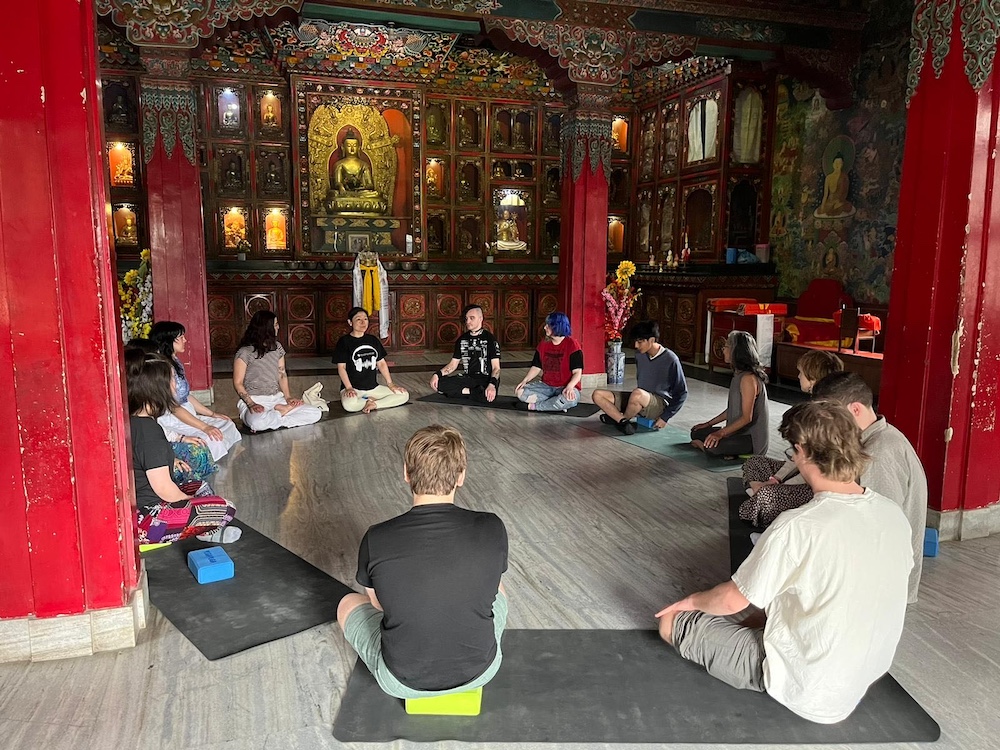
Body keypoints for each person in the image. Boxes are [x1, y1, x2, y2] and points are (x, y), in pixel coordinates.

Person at [656, 401, 913, 725]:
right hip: (867, 670)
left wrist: (691, 601)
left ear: (803, 452)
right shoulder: (892, 514)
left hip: (810, 686)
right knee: (781, 591)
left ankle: (765, 667)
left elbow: (731, 599)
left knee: (673, 622)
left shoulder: (798, 524)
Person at [337, 425, 508, 698]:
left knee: (347, 603)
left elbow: (379, 604)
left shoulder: (376, 537)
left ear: (406, 473)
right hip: (481, 672)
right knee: (499, 590)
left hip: (402, 682)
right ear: (461, 475)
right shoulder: (492, 526)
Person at [811, 371, 927, 603]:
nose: (826, 423)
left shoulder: (880, 452)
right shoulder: (876, 437)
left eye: (830, 415)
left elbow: (882, 529)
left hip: (881, 584)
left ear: (855, 409)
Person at [125, 350, 240, 545]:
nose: (175, 386)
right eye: (171, 381)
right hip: (148, 521)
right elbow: (164, 490)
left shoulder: (135, 421)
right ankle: (200, 530)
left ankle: (203, 530)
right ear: (157, 389)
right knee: (225, 508)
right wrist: (189, 502)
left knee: (199, 485)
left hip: (141, 507)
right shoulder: (149, 431)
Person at [739, 349, 844, 526]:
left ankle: (759, 496)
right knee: (754, 462)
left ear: (812, 378)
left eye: (801, 372)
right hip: (799, 473)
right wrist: (775, 479)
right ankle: (760, 494)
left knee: (758, 503)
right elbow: (797, 455)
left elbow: (812, 470)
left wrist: (775, 486)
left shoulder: (827, 417)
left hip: (815, 485)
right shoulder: (811, 408)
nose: (798, 376)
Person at [126, 338, 218, 487]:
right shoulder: (141, 414)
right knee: (193, 458)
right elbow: (148, 448)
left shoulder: (149, 406)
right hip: (151, 467)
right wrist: (170, 458)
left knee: (200, 449)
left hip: (160, 449)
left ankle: (197, 487)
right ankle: (192, 490)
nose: (175, 385)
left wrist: (181, 438)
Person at [151, 321, 242, 461]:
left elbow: (186, 396)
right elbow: (174, 407)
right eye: (180, 337)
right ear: (168, 341)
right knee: (212, 439)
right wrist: (205, 427)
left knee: (227, 424)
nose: (185, 340)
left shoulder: (176, 361)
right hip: (173, 418)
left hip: (187, 412)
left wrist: (212, 414)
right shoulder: (163, 368)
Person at [233, 310, 323, 432]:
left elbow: (282, 374)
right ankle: (281, 413)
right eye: (275, 324)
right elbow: (238, 383)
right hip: (254, 400)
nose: (278, 327)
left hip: (276, 399)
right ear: (266, 328)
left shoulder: (277, 347)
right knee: (257, 422)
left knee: (315, 413)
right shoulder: (245, 352)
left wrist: (288, 398)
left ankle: (275, 416)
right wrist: (251, 404)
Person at [592, 320, 687, 434]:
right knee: (598, 395)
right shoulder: (639, 355)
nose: (636, 346)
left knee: (637, 394)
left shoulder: (671, 359)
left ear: (651, 340)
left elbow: (682, 392)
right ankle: (622, 421)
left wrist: (665, 417)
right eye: (635, 341)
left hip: (658, 404)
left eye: (640, 342)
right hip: (639, 398)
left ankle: (619, 419)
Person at [690, 330, 769, 456]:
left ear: (735, 351)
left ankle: (704, 447)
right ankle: (708, 443)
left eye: (726, 347)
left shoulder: (748, 379)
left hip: (749, 439)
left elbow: (746, 418)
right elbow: (732, 409)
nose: (723, 350)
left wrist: (720, 433)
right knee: (696, 432)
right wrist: (708, 424)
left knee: (713, 447)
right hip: (735, 433)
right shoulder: (738, 375)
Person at [333, 307, 409, 413]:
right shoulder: (344, 342)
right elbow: (341, 368)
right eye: (358, 319)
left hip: (373, 388)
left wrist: (390, 384)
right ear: (350, 322)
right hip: (354, 389)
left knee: (404, 395)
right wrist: (349, 388)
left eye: (365, 319)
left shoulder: (372, 340)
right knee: (349, 406)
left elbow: (381, 363)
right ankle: (370, 401)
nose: (363, 322)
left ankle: (373, 404)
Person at [430, 304, 501, 403]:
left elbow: (496, 368)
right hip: (469, 379)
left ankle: (464, 393)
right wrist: (437, 375)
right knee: (440, 384)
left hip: (486, 380)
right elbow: (453, 365)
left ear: (481, 318)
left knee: (487, 395)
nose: (468, 322)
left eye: (472, 318)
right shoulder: (462, 339)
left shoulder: (490, 339)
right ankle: (473, 393)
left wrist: (492, 385)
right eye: (467, 318)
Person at [514, 312, 582, 412]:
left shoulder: (573, 345)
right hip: (546, 387)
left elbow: (577, 372)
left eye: (548, 325)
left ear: (557, 326)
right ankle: (555, 404)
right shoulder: (543, 344)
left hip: (566, 387)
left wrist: (570, 387)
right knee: (520, 392)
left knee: (569, 400)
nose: (545, 327)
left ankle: (533, 407)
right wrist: (525, 380)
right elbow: (536, 367)